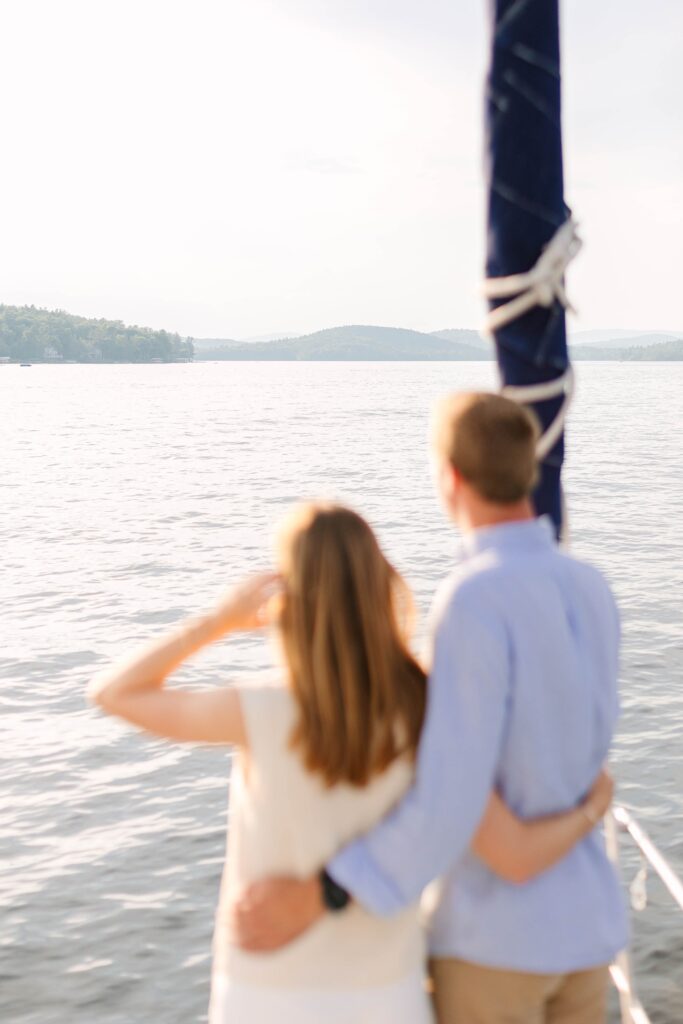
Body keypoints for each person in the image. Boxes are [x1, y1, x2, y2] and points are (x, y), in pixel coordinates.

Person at [88, 498, 613, 1024]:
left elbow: (115, 693)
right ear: (378, 585)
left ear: (287, 601)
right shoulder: (426, 702)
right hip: (390, 992)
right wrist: (592, 805)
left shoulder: (259, 711)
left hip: (267, 990)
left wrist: (219, 620)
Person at [232, 394, 628, 1024]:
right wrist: (588, 807)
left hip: (498, 949)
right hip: (586, 936)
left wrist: (329, 891)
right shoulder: (593, 586)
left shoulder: (473, 599)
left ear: (450, 477)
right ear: (527, 470)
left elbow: (450, 798)